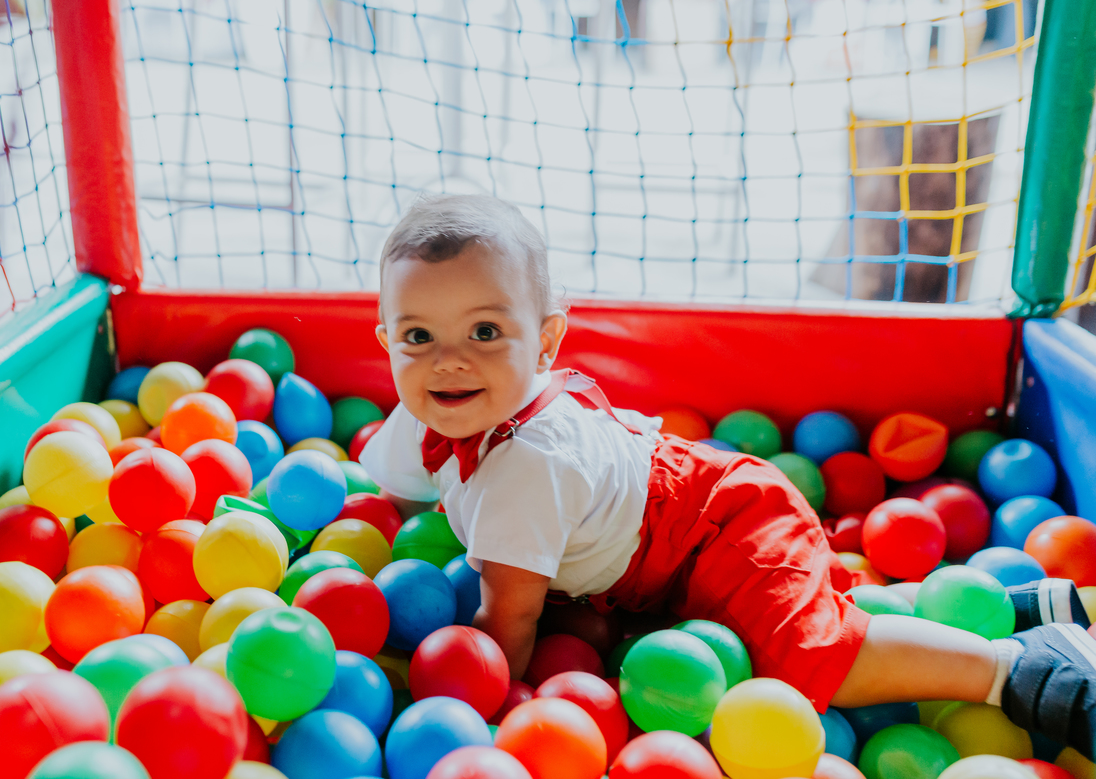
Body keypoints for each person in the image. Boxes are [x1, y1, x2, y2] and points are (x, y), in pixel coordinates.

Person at [359, 194, 1096, 757]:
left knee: (807, 658)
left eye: (485, 331)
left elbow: (505, 628)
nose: (448, 360)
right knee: (820, 608)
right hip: (686, 519)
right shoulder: (427, 411)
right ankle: (1017, 605)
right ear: (388, 338)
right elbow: (399, 487)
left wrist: (459, 715)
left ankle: (1023, 669)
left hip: (718, 529)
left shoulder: (526, 467)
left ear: (548, 339)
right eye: (419, 336)